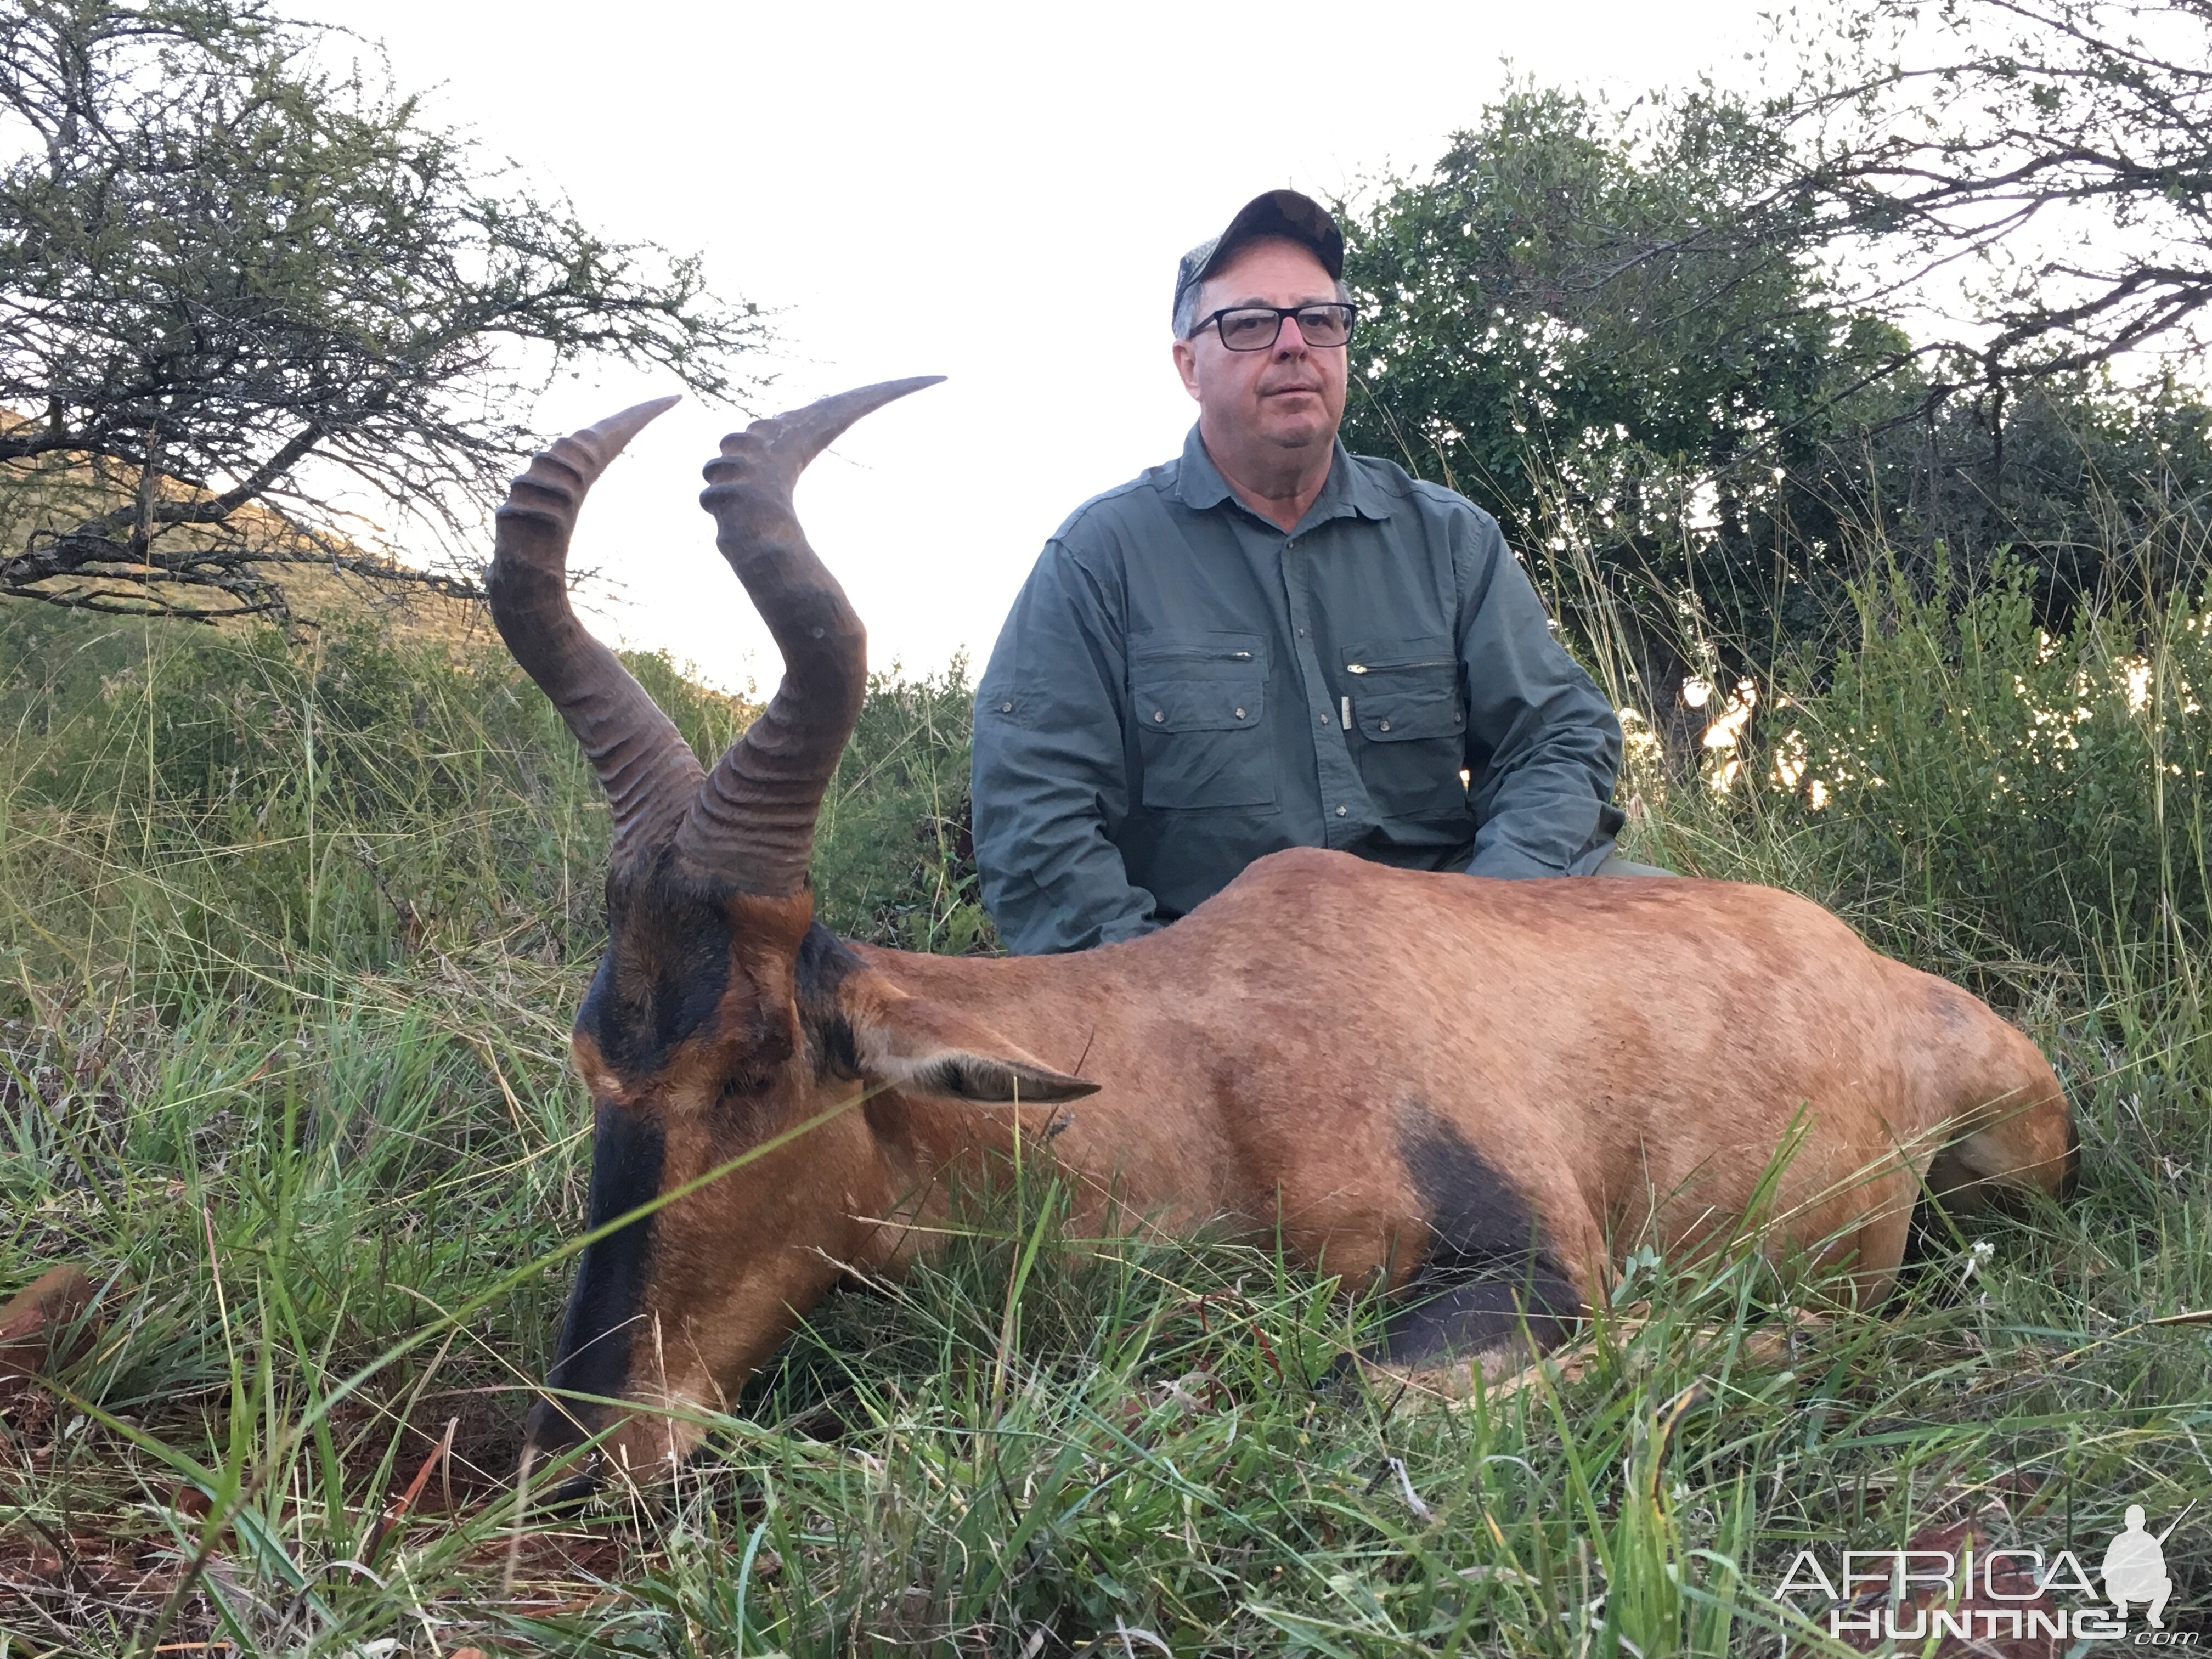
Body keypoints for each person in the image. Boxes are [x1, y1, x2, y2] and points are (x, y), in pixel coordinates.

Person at [972, 189, 1657, 957]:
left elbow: (1557, 739)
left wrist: (1489, 919)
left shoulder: (1451, 539)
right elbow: (1035, 812)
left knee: (1678, 933)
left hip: (1449, 941)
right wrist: (1152, 986)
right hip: (1208, 967)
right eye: (1251, 324)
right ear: (1188, 366)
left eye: (1321, 320)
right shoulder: (1100, 558)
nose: (1294, 344)